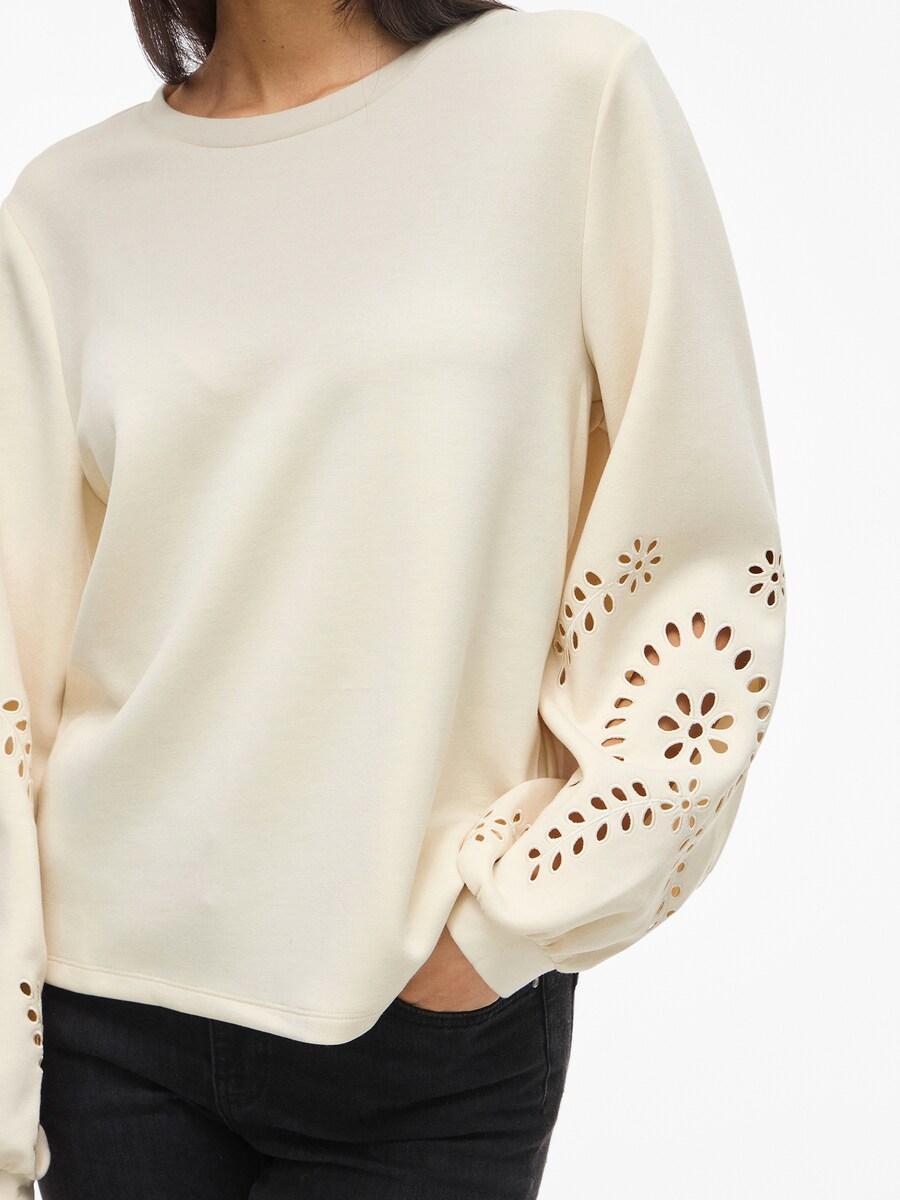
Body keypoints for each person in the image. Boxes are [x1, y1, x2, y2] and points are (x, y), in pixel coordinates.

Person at [0, 1, 787, 1197]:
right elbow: (15, 658)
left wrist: (511, 923)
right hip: (110, 1021)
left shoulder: (568, 98)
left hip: (422, 1028)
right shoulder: (68, 209)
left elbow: (699, 542)